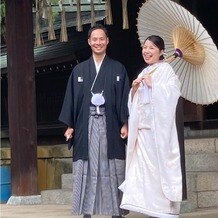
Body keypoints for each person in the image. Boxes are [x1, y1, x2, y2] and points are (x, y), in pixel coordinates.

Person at [59, 23, 130, 218]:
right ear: (89, 42)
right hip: (85, 125)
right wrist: (70, 126)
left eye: (102, 39)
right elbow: (72, 100)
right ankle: (86, 211)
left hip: (111, 125)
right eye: (94, 39)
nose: (98, 42)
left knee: (112, 165)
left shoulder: (118, 69)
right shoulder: (79, 71)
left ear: (107, 41)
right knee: (87, 165)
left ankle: (116, 211)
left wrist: (125, 123)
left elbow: (125, 98)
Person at [119, 35, 185, 218]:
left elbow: (172, 95)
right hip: (143, 133)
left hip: (158, 134)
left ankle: (164, 210)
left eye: (152, 48)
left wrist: (154, 85)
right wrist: (134, 90)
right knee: (142, 174)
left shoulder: (166, 71)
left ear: (161, 51)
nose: (146, 51)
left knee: (158, 173)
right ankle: (148, 207)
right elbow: (135, 105)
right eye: (145, 47)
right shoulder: (144, 72)